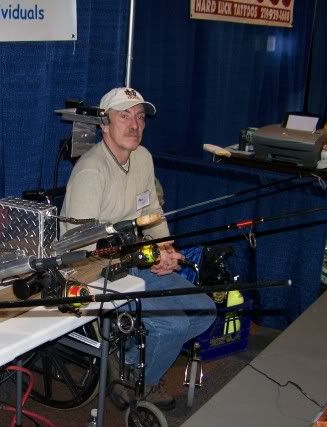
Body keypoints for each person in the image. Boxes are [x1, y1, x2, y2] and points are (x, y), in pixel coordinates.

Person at [60, 87, 216, 410]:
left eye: (140, 117)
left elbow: (152, 213)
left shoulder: (143, 158)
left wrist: (165, 249)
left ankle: (127, 363)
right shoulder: (91, 171)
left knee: (205, 310)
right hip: (95, 270)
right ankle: (140, 381)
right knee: (174, 324)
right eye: (124, 116)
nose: (134, 125)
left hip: (135, 259)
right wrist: (144, 255)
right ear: (104, 124)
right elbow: (83, 244)